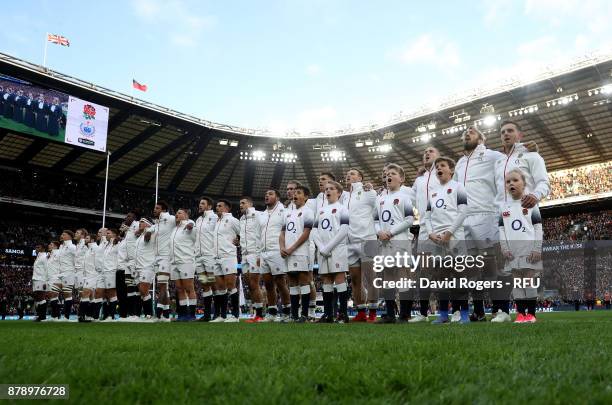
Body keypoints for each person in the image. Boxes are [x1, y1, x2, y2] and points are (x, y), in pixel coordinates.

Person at [425, 157, 469, 324]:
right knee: (441, 279)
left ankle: (463, 314)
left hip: (455, 237)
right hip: (437, 240)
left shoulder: (458, 187)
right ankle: (443, 314)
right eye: (436, 167)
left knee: (459, 277)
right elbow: (427, 216)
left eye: (442, 165)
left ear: (451, 170)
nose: (438, 168)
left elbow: (463, 211)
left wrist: (450, 232)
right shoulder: (433, 192)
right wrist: (430, 233)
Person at [498, 168, 543, 323]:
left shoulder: (531, 204)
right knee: (517, 282)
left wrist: (537, 248)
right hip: (512, 252)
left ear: (524, 184)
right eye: (508, 181)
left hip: (529, 250)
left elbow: (537, 227)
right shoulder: (503, 207)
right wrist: (504, 248)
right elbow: (502, 229)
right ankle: (520, 314)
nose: (511, 183)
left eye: (515, 180)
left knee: (528, 281)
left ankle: (531, 315)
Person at [374, 164, 415, 323]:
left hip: (399, 241)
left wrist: (390, 232)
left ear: (401, 179)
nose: (388, 176)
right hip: (384, 242)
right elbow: (375, 220)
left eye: (392, 174)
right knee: (388, 278)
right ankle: (390, 314)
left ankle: (404, 314)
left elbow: (409, 219)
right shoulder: (380, 199)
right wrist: (379, 232)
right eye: (387, 174)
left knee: (403, 276)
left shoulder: (404, 197)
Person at [343, 168, 378, 322]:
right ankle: (361, 312)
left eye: (352, 174)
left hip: (367, 240)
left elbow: (378, 211)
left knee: (371, 278)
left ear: (361, 178)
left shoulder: (368, 192)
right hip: (350, 243)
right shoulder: (343, 197)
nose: (348, 176)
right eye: (347, 174)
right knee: (355, 280)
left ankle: (373, 312)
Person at [313, 180, 350, 323]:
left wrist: (327, 247)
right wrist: (321, 247)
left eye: (331, 188)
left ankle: (343, 314)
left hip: (337, 249)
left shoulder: (342, 209)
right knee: (326, 281)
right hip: (322, 251)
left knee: (340, 280)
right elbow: (314, 230)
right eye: (326, 189)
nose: (327, 191)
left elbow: (344, 230)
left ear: (339, 193)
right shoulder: (320, 210)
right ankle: (328, 314)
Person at [411, 147, 441, 323]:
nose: (426, 153)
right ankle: (423, 313)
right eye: (424, 152)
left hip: (444, 226)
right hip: (423, 228)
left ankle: (459, 310)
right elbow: (410, 197)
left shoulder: (444, 174)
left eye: (431, 151)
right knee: (424, 272)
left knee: (449, 271)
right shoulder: (419, 180)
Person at [280, 185, 314, 322]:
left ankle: (304, 315)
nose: (295, 195)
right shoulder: (287, 212)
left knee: (304, 281)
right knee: (292, 283)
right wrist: (282, 247)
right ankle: (294, 315)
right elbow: (282, 233)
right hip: (287, 252)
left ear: (306, 197)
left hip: (300, 252)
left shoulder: (308, 212)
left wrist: (291, 248)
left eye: (298, 193)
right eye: (294, 193)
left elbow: (306, 233)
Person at [258, 189, 291, 322]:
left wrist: (284, 248)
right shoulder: (262, 214)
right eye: (266, 194)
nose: (267, 195)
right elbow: (258, 235)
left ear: (277, 197)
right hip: (263, 251)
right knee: (268, 284)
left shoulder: (284, 211)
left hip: (277, 250)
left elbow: (288, 231)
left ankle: (287, 311)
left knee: (280, 282)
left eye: (270, 194)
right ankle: (272, 312)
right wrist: (258, 254)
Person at [211, 199, 241, 322]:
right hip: (216, 257)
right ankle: (221, 316)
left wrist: (239, 241)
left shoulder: (233, 220)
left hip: (228, 256)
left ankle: (235, 316)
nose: (217, 207)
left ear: (227, 208)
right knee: (219, 288)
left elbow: (243, 233)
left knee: (231, 286)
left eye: (220, 206)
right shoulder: (217, 221)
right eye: (216, 206)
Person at [145, 200, 175, 320]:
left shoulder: (170, 219)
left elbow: (184, 221)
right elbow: (148, 234)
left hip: (166, 256)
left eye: (157, 208)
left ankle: (157, 314)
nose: (154, 210)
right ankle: (166, 314)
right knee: (163, 287)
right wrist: (147, 233)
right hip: (156, 258)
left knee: (161, 285)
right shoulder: (156, 224)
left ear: (163, 210)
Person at [239, 196, 265, 322]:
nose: (241, 205)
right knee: (249, 285)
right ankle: (256, 313)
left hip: (255, 253)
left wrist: (260, 254)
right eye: (240, 203)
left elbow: (263, 233)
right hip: (244, 255)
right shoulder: (242, 219)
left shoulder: (258, 215)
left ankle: (260, 314)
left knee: (254, 284)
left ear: (250, 204)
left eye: (243, 203)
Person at [169, 208, 197, 321]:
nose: (176, 214)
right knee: (179, 289)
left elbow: (194, 227)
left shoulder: (189, 226)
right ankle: (183, 315)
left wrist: (190, 224)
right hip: (174, 262)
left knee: (189, 288)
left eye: (179, 213)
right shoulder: (174, 229)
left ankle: (192, 314)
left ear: (186, 215)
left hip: (186, 261)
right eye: (176, 212)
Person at [194, 197, 218, 321]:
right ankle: (207, 314)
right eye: (199, 203)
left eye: (202, 203)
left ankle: (218, 313)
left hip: (210, 256)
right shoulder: (198, 220)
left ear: (209, 206)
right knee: (204, 285)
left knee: (214, 284)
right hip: (199, 257)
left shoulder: (214, 217)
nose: (200, 205)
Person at [135, 218, 156, 320]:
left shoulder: (149, 233)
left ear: (148, 224)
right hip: (138, 266)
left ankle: (149, 314)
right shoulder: (139, 236)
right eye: (139, 222)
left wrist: (149, 229)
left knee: (144, 290)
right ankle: (147, 314)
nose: (140, 223)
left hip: (147, 265)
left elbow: (147, 238)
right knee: (142, 292)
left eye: (142, 222)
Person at [98, 229, 120, 321]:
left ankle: (112, 315)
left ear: (114, 234)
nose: (106, 235)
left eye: (108, 233)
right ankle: (106, 314)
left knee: (111, 293)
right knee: (105, 294)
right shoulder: (107, 245)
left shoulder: (117, 244)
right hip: (104, 271)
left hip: (111, 271)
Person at [57, 230, 76, 319]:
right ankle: (57, 315)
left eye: (63, 234)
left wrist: (74, 271)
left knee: (67, 294)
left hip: (69, 272)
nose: (61, 235)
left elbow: (77, 259)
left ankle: (66, 316)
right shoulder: (62, 247)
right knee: (55, 292)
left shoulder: (72, 247)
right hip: (61, 273)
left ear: (69, 236)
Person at [80, 233, 98, 322]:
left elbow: (98, 261)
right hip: (87, 275)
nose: (85, 239)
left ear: (92, 240)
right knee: (91, 297)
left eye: (87, 238)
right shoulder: (88, 249)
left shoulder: (95, 248)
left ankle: (82, 316)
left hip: (93, 275)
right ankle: (90, 316)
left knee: (85, 293)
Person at [73, 229, 89, 322]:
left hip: (83, 272)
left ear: (83, 235)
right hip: (77, 272)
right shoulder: (78, 245)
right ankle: (81, 315)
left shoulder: (85, 244)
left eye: (77, 233)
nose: (75, 234)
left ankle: (84, 315)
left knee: (84, 293)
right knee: (81, 294)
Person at [32, 244, 48, 321]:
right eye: (36, 247)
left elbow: (47, 269)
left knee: (41, 297)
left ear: (43, 248)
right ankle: (39, 315)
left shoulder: (45, 256)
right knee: (37, 297)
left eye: (38, 247)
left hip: (41, 279)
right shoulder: (38, 256)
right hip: (36, 279)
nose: (36, 248)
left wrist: (46, 281)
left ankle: (43, 316)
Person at [46, 241, 62, 320]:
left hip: (56, 277)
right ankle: (56, 315)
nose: (49, 245)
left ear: (56, 246)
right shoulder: (50, 255)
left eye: (51, 244)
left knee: (53, 296)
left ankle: (55, 316)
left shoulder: (59, 252)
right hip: (49, 278)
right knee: (52, 297)